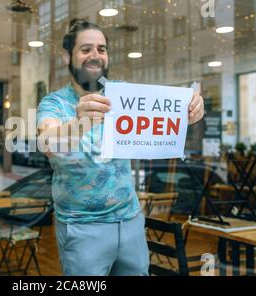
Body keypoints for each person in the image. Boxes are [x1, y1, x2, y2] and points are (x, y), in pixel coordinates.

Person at [36, 19, 204, 276]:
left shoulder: (123, 95)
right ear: (66, 56)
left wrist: (190, 109)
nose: (95, 56)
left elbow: (166, 112)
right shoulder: (55, 103)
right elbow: (47, 141)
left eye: (101, 49)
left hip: (131, 222)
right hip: (82, 228)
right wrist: (79, 122)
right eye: (86, 49)